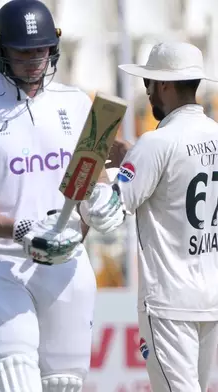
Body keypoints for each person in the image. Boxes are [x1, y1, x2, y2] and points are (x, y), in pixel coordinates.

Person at [0, 0, 97, 390]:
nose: (34, 61)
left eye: (41, 50)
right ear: (0, 51)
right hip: (0, 263)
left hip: (67, 261)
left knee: (64, 383)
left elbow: (90, 182)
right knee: (14, 379)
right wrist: (21, 229)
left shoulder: (76, 102)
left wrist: (102, 207)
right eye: (23, 52)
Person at [80, 41, 218, 392]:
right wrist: (133, 159)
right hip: (212, 298)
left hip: (170, 300)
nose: (148, 94)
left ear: (165, 86)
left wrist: (92, 168)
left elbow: (105, 216)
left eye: (149, 85)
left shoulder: (156, 143)